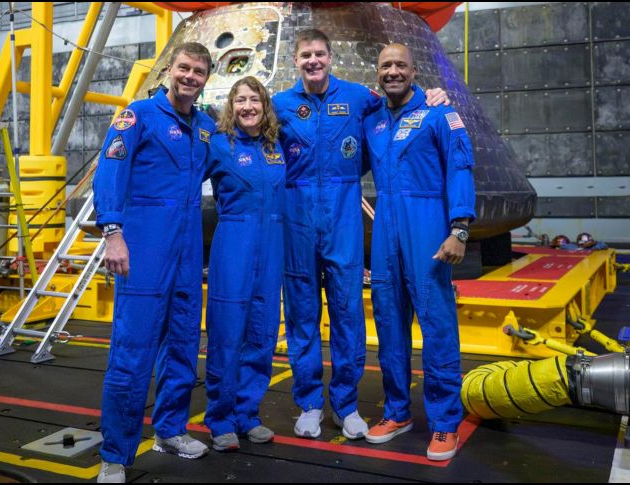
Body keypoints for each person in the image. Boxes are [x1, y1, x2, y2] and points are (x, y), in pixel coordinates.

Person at [272, 29, 450, 440]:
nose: (313, 61)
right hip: (296, 218)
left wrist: (434, 94)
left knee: (348, 315)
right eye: (305, 55)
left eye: (319, 53)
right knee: (301, 316)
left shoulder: (359, 99)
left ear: (330, 57)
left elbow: (401, 101)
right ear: (295, 61)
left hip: (344, 219)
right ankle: (310, 404)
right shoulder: (279, 106)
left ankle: (346, 405)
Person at [93, 43, 216, 483]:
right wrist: (112, 231)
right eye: (184, 68)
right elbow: (109, 172)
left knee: (183, 345)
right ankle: (115, 454)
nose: (190, 76)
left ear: (206, 78)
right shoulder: (138, 114)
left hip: (186, 250)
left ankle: (169, 430)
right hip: (143, 246)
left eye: (199, 71)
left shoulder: (205, 127)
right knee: (132, 352)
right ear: (169, 69)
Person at [362, 43, 476, 462]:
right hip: (387, 225)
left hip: (428, 224)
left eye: (400, 65)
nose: (392, 71)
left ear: (414, 71)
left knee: (437, 323)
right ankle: (397, 413)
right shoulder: (372, 119)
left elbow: (461, 167)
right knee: (389, 324)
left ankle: (445, 423)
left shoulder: (439, 113)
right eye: (385, 66)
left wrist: (459, 228)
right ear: (378, 72)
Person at [203, 76, 285, 452]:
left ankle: (247, 413)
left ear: (265, 105)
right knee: (227, 330)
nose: (248, 106)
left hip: (272, 243)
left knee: (263, 330)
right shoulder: (218, 145)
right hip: (233, 241)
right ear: (230, 107)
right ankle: (220, 418)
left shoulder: (275, 145)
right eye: (240, 100)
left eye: (255, 99)